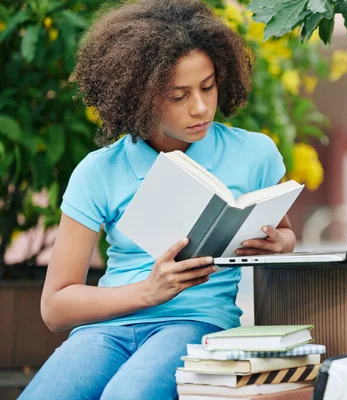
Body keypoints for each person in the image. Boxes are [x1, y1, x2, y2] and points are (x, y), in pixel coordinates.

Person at [19, 1, 296, 399]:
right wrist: (148, 291)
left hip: (197, 323)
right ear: (137, 95)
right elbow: (56, 306)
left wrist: (278, 242)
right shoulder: (99, 171)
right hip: (107, 329)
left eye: (208, 86)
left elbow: (286, 236)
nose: (200, 107)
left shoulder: (255, 154)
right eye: (178, 95)